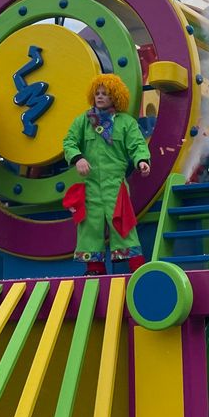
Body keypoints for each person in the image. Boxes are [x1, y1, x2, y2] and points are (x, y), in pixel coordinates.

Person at [63, 74, 152, 275]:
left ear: (115, 97)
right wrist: (78, 158)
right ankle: (94, 269)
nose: (100, 97)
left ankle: (136, 268)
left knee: (123, 223)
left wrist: (142, 161)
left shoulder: (126, 123)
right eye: (97, 93)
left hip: (115, 184)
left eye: (105, 94)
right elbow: (69, 141)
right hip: (91, 184)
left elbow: (137, 144)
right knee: (89, 226)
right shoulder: (83, 121)